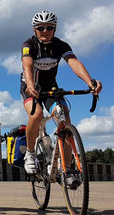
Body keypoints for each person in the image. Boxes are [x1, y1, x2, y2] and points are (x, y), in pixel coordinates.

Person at [21, 11, 102, 177]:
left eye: (49, 27)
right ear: (34, 29)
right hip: (30, 86)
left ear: (55, 29)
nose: (45, 31)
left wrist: (89, 81)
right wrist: (30, 85)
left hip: (50, 88)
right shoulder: (29, 44)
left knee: (65, 119)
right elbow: (27, 65)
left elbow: (73, 63)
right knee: (36, 116)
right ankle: (30, 153)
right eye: (40, 27)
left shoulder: (60, 45)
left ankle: (68, 170)